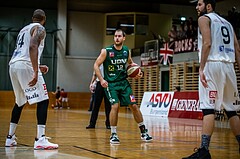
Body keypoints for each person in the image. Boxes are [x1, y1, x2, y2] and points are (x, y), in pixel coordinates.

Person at [182, 0, 240, 158]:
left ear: (208, 6)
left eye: (199, 4)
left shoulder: (204, 19)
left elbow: (207, 43)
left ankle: (204, 151)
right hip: (229, 66)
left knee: (208, 108)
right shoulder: (228, 23)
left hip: (212, 64)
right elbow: (237, 48)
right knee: (231, 110)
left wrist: (201, 68)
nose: (196, 7)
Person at [5, 9, 58, 150]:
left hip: (13, 66)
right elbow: (32, 46)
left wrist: (38, 66)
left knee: (19, 101)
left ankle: (10, 138)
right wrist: (35, 71)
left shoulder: (23, 29)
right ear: (44, 19)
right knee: (44, 100)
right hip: (26, 66)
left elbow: (24, 53)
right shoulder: (40, 28)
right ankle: (40, 139)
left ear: (32, 18)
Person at [93, 29, 153, 144]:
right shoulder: (106, 51)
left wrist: (137, 72)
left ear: (124, 38)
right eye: (115, 36)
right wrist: (101, 80)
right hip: (111, 84)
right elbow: (96, 65)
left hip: (124, 83)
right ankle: (113, 134)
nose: (117, 38)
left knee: (134, 106)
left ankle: (143, 131)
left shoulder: (126, 51)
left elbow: (130, 63)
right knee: (115, 106)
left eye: (119, 36)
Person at [86, 65, 111, 129]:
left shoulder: (110, 61)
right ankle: (92, 123)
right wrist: (91, 83)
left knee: (108, 105)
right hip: (99, 84)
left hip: (108, 83)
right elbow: (94, 74)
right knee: (96, 105)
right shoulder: (98, 63)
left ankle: (108, 123)